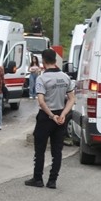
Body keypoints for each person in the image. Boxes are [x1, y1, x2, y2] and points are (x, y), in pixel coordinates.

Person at [25, 48, 75, 189]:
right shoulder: (65, 77)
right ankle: (52, 180)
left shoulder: (42, 78)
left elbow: (41, 101)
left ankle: (38, 178)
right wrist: (63, 114)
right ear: (55, 60)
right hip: (61, 116)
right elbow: (72, 99)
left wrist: (52, 116)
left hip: (46, 117)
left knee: (40, 150)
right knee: (57, 151)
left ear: (43, 61)